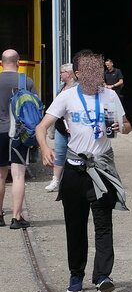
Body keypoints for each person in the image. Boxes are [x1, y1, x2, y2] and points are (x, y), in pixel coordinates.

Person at [34, 50, 130, 292]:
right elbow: (41, 127)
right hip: (75, 170)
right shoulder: (67, 97)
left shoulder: (109, 95)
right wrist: (45, 148)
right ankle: (76, 274)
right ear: (78, 74)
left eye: (98, 69)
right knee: (75, 226)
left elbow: (127, 125)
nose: (95, 74)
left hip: (102, 169)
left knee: (103, 225)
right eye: (89, 70)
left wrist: (124, 127)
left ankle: (102, 277)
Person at [0, 48, 30, 228]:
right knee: (18, 175)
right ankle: (16, 218)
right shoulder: (25, 81)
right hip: (18, 133)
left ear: (2, 63)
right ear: (18, 62)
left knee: (0, 175)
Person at [45, 62, 76, 193]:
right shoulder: (60, 87)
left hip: (74, 129)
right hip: (60, 127)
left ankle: (73, 181)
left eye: (61, 72)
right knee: (59, 154)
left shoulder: (78, 88)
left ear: (68, 74)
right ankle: (55, 180)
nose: (60, 75)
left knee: (75, 156)